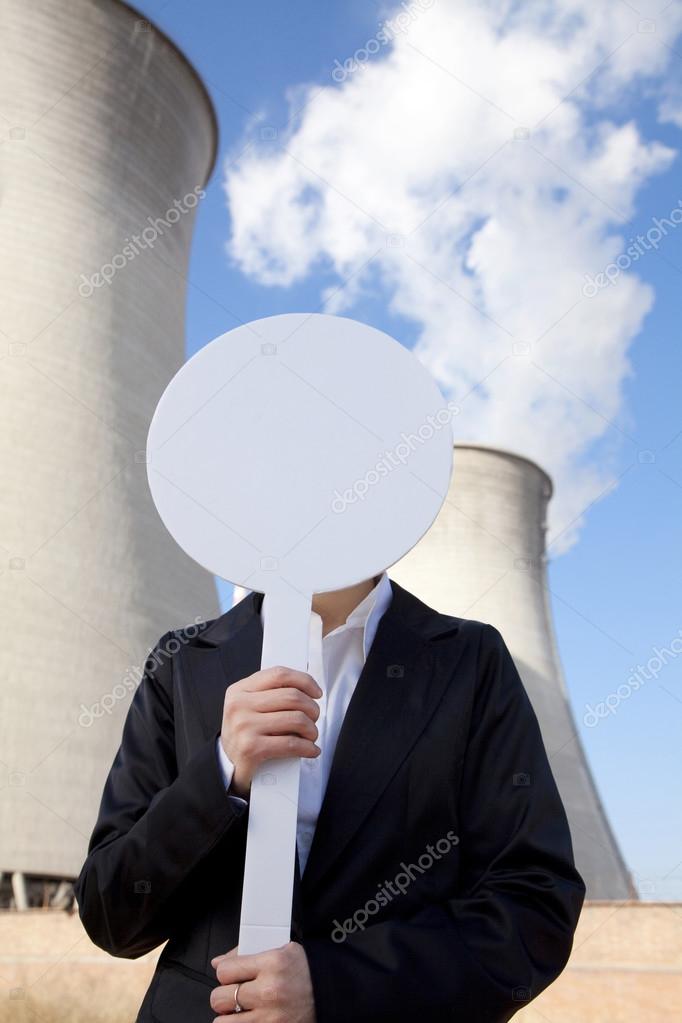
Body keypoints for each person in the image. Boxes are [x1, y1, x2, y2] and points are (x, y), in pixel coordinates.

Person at [74, 571, 585, 1022]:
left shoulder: (469, 661)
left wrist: (335, 985)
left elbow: (534, 903)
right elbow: (112, 914)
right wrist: (222, 772)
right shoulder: (181, 663)